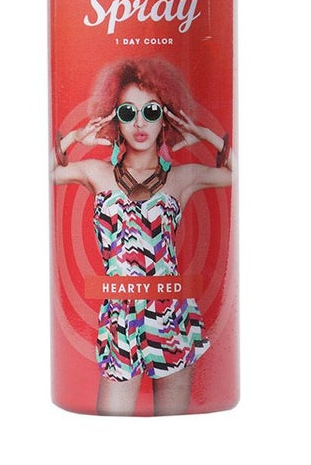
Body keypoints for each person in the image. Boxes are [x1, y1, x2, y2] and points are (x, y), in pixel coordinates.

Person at [51, 57, 233, 416]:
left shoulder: (181, 178)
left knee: (176, 428)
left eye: (151, 112)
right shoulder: (96, 173)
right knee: (110, 422)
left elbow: (237, 174)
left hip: (172, 314)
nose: (139, 123)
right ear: (115, 120)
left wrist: (202, 135)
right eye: (127, 112)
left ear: (166, 118)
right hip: (119, 316)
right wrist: (75, 138)